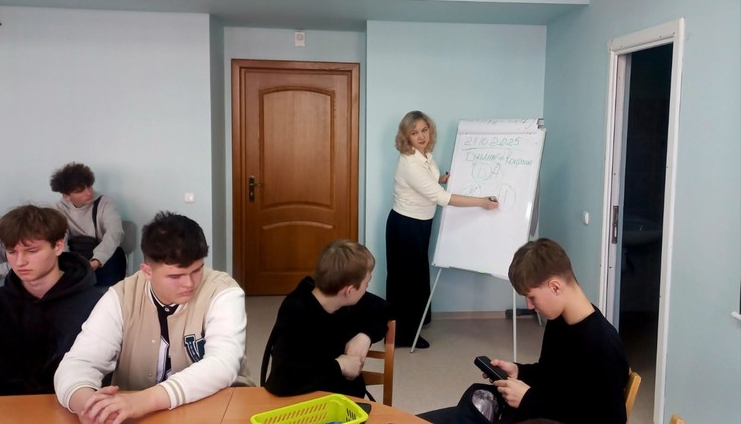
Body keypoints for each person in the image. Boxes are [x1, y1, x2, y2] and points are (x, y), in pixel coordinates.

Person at [54, 211, 252, 424]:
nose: (189, 283)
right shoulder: (120, 296)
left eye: (197, 270)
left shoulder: (224, 291)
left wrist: (146, 401)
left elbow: (223, 363)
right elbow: (79, 362)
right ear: (147, 272)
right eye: (175, 276)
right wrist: (88, 405)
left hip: (216, 411)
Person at [418, 238, 630, 424]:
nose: (529, 306)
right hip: (535, 412)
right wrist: (518, 371)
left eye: (532, 297)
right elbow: (551, 376)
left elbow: (609, 419)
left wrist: (529, 399)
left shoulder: (602, 343)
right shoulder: (559, 320)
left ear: (555, 287)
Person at [386, 110, 499, 348]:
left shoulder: (424, 155)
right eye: (414, 133)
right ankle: (402, 337)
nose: (421, 136)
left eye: (424, 130)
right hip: (406, 225)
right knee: (406, 281)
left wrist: (440, 179)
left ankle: (415, 325)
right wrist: (481, 202)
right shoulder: (409, 163)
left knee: (416, 276)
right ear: (406, 136)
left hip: (419, 223)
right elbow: (442, 198)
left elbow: (427, 182)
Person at [0, 205, 104, 396]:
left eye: (32, 251)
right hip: (0, 408)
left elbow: (101, 372)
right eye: (12, 252)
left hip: (72, 405)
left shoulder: (98, 305)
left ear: (58, 246)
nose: (20, 262)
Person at [264, 239, 389, 399]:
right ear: (349, 290)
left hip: (341, 401)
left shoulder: (340, 298)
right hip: (305, 403)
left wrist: (365, 336)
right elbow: (281, 380)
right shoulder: (296, 311)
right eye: (367, 284)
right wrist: (340, 366)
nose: (366, 289)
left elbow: (385, 309)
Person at [50, 162, 126, 287]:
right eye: (80, 191)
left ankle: (105, 295)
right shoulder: (58, 210)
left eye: (89, 186)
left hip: (102, 258)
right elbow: (61, 241)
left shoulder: (104, 203)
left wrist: (97, 261)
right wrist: (71, 264)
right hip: (74, 259)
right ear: (66, 196)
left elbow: (115, 232)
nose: (89, 193)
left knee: (116, 254)